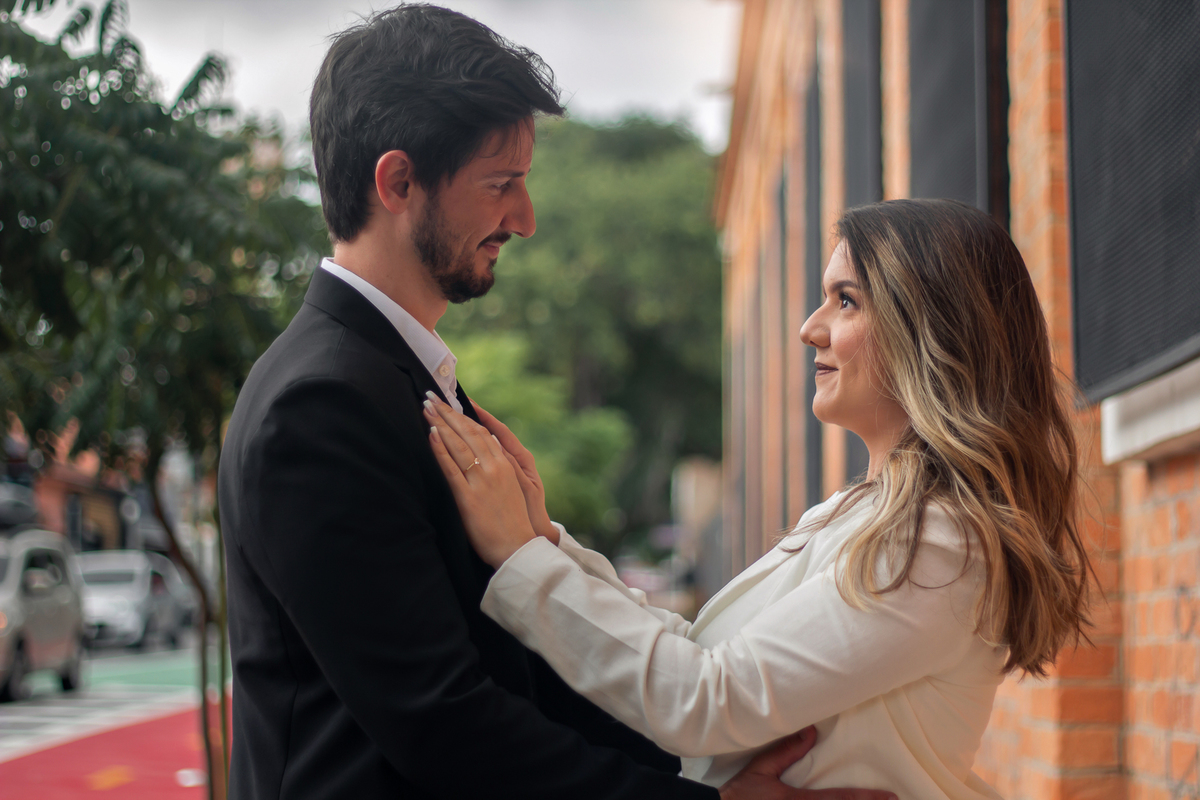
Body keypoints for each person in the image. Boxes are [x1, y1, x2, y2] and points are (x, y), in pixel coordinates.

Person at [218, 4, 898, 799]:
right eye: (501, 185)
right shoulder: (319, 405)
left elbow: (526, 679)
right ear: (398, 181)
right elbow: (442, 722)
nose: (526, 219)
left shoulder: (393, 374)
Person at [426, 198, 1095, 799]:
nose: (811, 327)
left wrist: (520, 556)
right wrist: (549, 543)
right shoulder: (861, 513)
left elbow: (707, 699)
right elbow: (703, 651)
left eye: (847, 301)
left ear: (932, 331)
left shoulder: (940, 541)